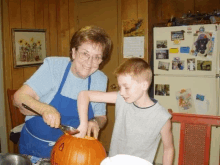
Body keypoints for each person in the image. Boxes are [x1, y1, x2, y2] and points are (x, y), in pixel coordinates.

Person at [13, 25, 113, 160]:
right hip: (36, 151)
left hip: (72, 152)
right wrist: (45, 109)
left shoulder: (100, 79)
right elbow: (18, 97)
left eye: (97, 57)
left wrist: (95, 122)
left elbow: (101, 116)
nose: (89, 63)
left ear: (102, 60)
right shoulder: (54, 67)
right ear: (73, 52)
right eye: (85, 54)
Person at [76, 58, 174, 164]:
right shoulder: (121, 99)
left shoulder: (162, 117)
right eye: (120, 87)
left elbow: (168, 149)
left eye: (126, 87)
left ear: (144, 85)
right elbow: (84, 94)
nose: (121, 92)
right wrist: (83, 124)